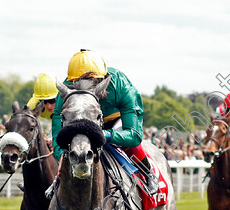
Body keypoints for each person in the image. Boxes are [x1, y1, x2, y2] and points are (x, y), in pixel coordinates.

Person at [52, 49, 159, 195]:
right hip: (83, 123)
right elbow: (58, 133)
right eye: (78, 83)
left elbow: (134, 135)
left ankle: (148, 173)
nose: (86, 90)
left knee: (129, 144)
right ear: (72, 81)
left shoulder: (121, 84)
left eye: (91, 83)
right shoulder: (66, 90)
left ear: (102, 80)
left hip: (116, 120)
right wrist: (61, 156)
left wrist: (104, 134)